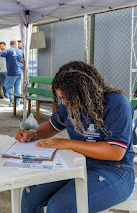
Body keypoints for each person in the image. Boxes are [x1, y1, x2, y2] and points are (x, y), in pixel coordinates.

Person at [15, 61, 135, 212]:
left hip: (115, 172)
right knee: (30, 194)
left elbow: (116, 152)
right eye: (61, 98)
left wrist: (69, 144)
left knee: (59, 208)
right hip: (78, 164)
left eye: (66, 97)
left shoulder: (117, 104)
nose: (64, 102)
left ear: (84, 92)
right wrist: (33, 134)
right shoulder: (69, 104)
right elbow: (53, 126)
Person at [0, 40, 24, 106]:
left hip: (11, 73)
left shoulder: (9, 51)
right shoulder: (21, 51)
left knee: (8, 87)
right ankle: (17, 102)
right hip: (19, 73)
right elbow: (26, 59)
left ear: (10, 45)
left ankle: (12, 101)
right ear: (16, 44)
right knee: (17, 88)